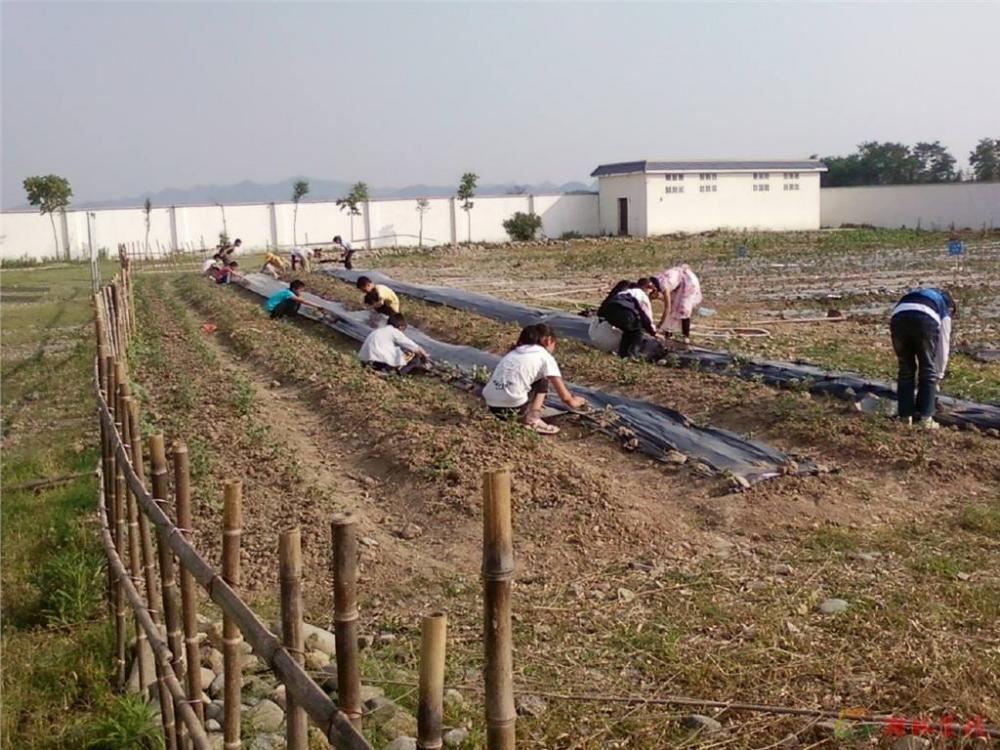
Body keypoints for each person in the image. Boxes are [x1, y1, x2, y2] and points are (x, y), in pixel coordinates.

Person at [482, 323, 586, 435]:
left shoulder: (514, 352)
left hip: (493, 406)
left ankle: (524, 418)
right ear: (548, 340)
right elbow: (567, 399)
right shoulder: (544, 356)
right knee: (544, 378)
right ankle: (532, 419)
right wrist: (579, 401)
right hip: (515, 407)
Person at [889, 287, 955, 429]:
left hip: (898, 318)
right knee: (927, 368)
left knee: (905, 368)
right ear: (951, 308)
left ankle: (905, 417)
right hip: (924, 319)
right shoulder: (945, 307)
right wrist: (939, 375)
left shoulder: (921, 294)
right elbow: (943, 344)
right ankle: (926, 418)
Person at [594, 278, 658, 358]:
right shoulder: (641, 294)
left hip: (610, 310)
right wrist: (654, 332)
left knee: (628, 330)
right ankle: (633, 354)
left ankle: (622, 355)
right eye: (651, 290)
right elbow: (646, 315)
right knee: (637, 330)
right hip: (623, 310)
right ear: (647, 287)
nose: (650, 293)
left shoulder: (627, 292)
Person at [358, 313, 431, 375]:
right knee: (414, 355)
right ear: (401, 327)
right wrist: (425, 358)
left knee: (401, 351)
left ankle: (383, 369)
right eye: (403, 330)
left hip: (364, 361)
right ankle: (393, 373)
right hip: (377, 361)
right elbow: (416, 348)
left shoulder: (379, 331)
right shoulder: (394, 331)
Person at [655, 263, 703, 342]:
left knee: (684, 310)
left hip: (688, 284)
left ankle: (685, 337)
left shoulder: (664, 286)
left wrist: (660, 324)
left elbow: (667, 308)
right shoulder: (657, 280)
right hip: (679, 284)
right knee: (673, 309)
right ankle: (668, 333)